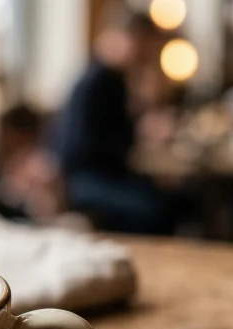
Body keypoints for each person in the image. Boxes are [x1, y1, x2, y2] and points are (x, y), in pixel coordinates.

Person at [54, 10, 174, 235]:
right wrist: (140, 133)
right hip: (82, 179)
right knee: (155, 207)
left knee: (169, 195)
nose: (144, 53)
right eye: (142, 43)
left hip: (96, 173)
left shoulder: (112, 79)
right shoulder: (98, 81)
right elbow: (87, 147)